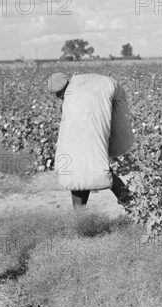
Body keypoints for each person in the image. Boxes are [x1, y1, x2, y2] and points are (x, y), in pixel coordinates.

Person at [47, 72, 134, 209]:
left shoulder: (76, 95)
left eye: (60, 93)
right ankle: (130, 203)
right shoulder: (71, 98)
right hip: (81, 142)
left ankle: (130, 204)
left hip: (90, 139)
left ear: (65, 87)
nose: (59, 97)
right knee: (83, 174)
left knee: (91, 171)